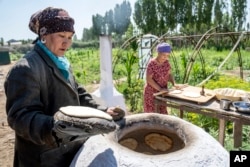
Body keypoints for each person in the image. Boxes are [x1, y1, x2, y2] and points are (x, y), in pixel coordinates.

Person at [4, 7, 124, 167]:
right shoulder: (26, 68)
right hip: (45, 157)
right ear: (44, 35)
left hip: (69, 150)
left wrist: (102, 111)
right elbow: (20, 117)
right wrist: (56, 128)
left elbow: (79, 94)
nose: (66, 42)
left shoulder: (62, 63)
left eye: (70, 37)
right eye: (61, 35)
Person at [143, 42, 178, 114]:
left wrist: (174, 83)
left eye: (167, 55)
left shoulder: (166, 63)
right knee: (152, 116)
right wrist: (160, 89)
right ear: (158, 53)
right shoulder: (152, 63)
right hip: (151, 93)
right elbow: (149, 79)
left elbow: (169, 74)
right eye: (163, 55)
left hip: (162, 93)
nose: (165, 57)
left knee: (162, 114)